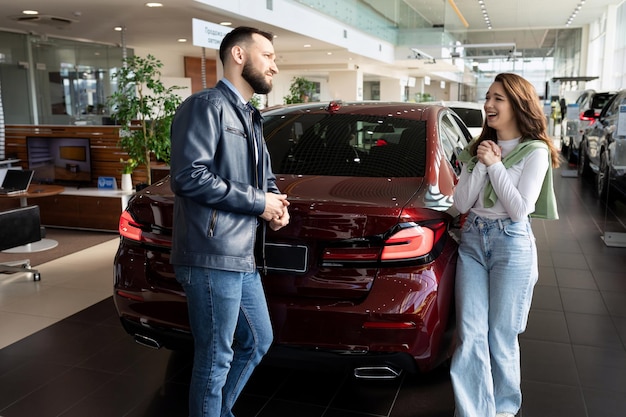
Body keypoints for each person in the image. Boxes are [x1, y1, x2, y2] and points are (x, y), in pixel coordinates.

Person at [169, 26, 290, 417]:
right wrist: (259, 203)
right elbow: (189, 176)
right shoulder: (206, 106)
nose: (274, 64)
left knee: (257, 341)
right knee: (216, 355)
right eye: (267, 55)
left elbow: (263, 178)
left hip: (242, 254)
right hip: (210, 253)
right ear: (239, 56)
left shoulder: (250, 115)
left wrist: (275, 206)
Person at [450, 72, 561, 417]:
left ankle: (503, 411)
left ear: (518, 103)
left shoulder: (535, 151)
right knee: (470, 334)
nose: (488, 104)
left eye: (498, 98)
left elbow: (519, 209)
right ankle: (472, 412)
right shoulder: (478, 148)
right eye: (488, 97)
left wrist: (495, 165)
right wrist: (482, 164)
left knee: (501, 336)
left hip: (511, 244)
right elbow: (460, 204)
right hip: (472, 241)